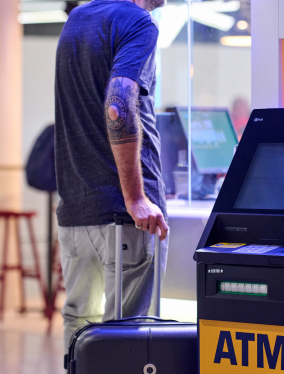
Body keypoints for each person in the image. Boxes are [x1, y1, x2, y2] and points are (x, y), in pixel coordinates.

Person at [54, 0, 169, 353]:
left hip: (76, 211)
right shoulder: (138, 22)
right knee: (130, 342)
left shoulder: (77, 19)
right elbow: (118, 101)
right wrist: (136, 198)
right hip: (126, 217)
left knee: (80, 335)